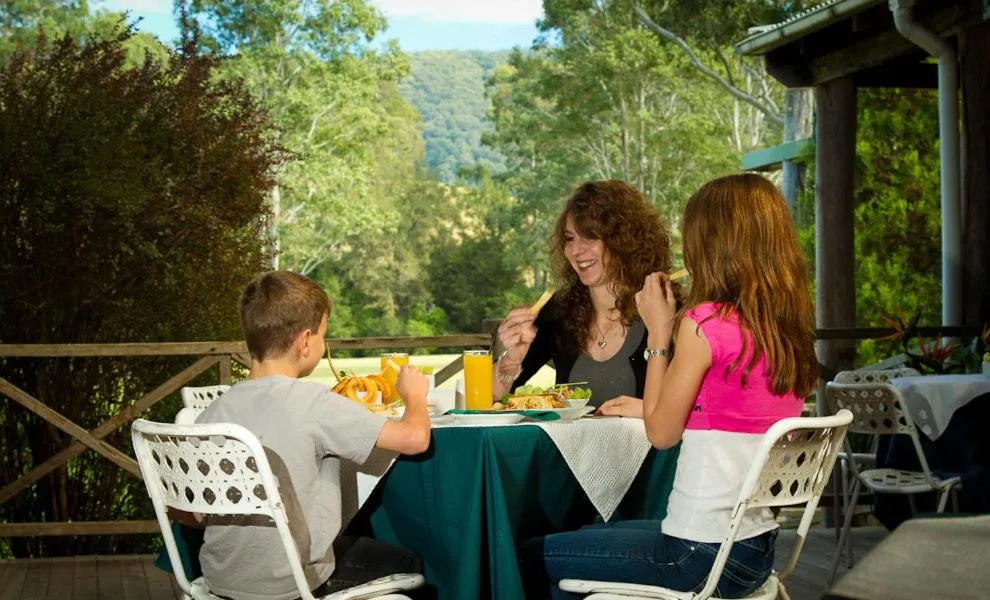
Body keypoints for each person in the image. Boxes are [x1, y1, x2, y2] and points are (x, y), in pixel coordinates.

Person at [520, 173, 817, 599]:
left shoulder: (705, 324)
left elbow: (662, 433)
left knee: (532, 553)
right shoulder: (784, 330)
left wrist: (660, 333)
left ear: (715, 242)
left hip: (694, 555)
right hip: (755, 552)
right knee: (592, 533)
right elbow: (724, 412)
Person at [194, 271, 431, 600]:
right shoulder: (314, 403)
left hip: (220, 580)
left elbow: (192, 513)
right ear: (305, 342)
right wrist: (414, 395)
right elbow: (415, 438)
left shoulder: (213, 412)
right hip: (295, 585)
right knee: (408, 561)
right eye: (323, 335)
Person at [493, 180, 678, 411]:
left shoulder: (666, 307)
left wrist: (647, 412)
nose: (576, 251)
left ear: (623, 241)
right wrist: (509, 362)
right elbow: (494, 399)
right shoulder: (559, 311)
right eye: (570, 238)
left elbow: (704, 409)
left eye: (590, 237)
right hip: (568, 449)